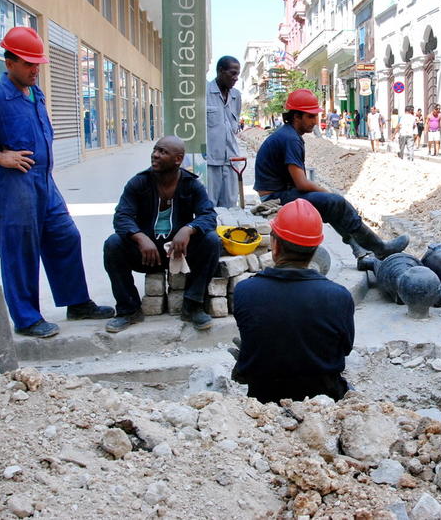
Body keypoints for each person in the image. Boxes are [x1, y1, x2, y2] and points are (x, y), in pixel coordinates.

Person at [0, 26, 114, 338]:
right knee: (20, 249)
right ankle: (26, 319)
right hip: (15, 186)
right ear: (9, 63)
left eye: (37, 63)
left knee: (66, 237)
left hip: (45, 183)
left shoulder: (35, 93)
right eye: (27, 63)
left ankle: (76, 303)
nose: (34, 69)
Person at [254, 89, 409, 259]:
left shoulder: (288, 134)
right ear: (296, 116)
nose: (315, 121)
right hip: (275, 198)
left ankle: (362, 253)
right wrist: (329, 193)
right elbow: (302, 183)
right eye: (310, 116)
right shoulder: (291, 139)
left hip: (278, 192)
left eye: (316, 116)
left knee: (333, 205)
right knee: (336, 202)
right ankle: (380, 248)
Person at [233, 199, 354, 403]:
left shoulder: (245, 291)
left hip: (264, 401)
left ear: (275, 244)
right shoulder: (339, 296)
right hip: (323, 400)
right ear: (316, 248)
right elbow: (345, 348)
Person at [102, 136, 222, 333]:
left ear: (178, 159)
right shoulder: (138, 183)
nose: (155, 155)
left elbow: (208, 216)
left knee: (211, 240)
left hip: (179, 255)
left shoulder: (192, 185)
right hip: (147, 255)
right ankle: (128, 309)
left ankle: (192, 305)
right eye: (155, 150)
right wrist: (140, 237)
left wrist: (188, 229)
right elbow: (121, 217)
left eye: (163, 152)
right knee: (113, 244)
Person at [206, 56, 242, 208]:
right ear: (220, 71)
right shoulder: (205, 93)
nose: (236, 78)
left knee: (231, 207)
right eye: (232, 73)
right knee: (209, 206)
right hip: (210, 162)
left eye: (238, 74)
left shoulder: (236, 96)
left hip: (232, 162)